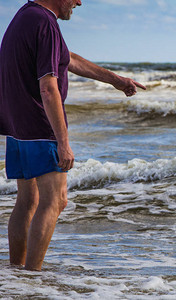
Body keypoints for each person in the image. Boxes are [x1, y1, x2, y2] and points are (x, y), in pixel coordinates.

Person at [0, 0, 146, 271]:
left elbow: (69, 59)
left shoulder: (26, 16)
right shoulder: (45, 22)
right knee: (55, 200)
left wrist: (116, 80)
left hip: (17, 127)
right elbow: (47, 87)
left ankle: (16, 272)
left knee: (28, 200)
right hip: (40, 126)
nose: (79, 2)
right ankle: (33, 276)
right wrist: (63, 142)